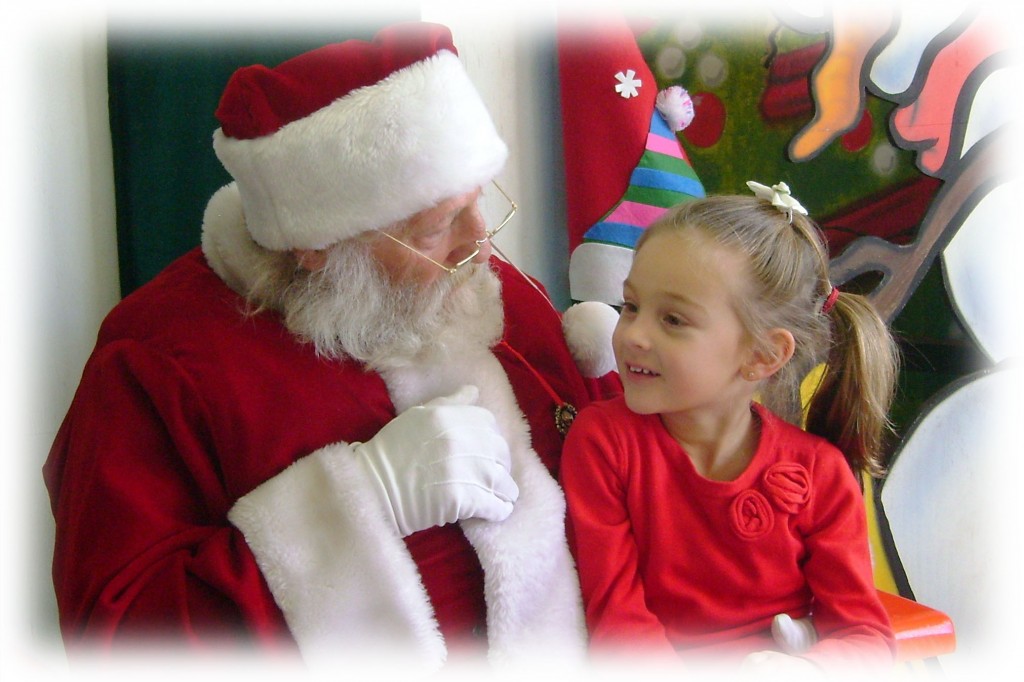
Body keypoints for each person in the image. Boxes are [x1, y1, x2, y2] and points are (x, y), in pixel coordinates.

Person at [43, 22, 616, 672]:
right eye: (434, 226)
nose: (480, 241)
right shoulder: (156, 357)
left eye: (478, 201)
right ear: (317, 246)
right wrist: (364, 499)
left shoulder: (480, 279)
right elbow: (116, 640)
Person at [560, 182, 900, 675]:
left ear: (763, 356)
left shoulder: (821, 474)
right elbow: (619, 624)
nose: (632, 334)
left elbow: (865, 638)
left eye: (673, 319)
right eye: (631, 306)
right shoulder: (603, 443)